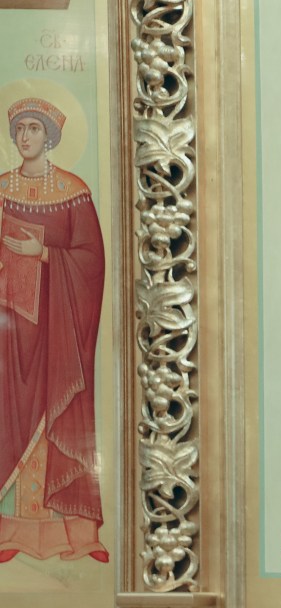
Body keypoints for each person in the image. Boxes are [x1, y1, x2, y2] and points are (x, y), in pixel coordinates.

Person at [0, 96, 106, 563]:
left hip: (60, 332)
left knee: (59, 417)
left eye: (34, 128)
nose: (25, 136)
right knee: (9, 419)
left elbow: (92, 262)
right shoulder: (2, 189)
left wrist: (41, 254)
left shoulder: (73, 191)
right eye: (20, 128)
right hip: (9, 335)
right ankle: (10, 532)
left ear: (50, 137)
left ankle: (75, 535)